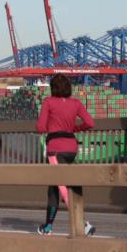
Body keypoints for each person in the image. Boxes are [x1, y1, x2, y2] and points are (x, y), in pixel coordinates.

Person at [35, 75, 95, 236]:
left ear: (52, 88)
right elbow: (90, 123)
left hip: (56, 149)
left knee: (62, 188)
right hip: (71, 149)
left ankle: (83, 224)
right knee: (54, 189)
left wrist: (52, 127)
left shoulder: (48, 102)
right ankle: (47, 226)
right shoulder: (75, 103)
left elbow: (40, 127)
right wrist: (74, 129)